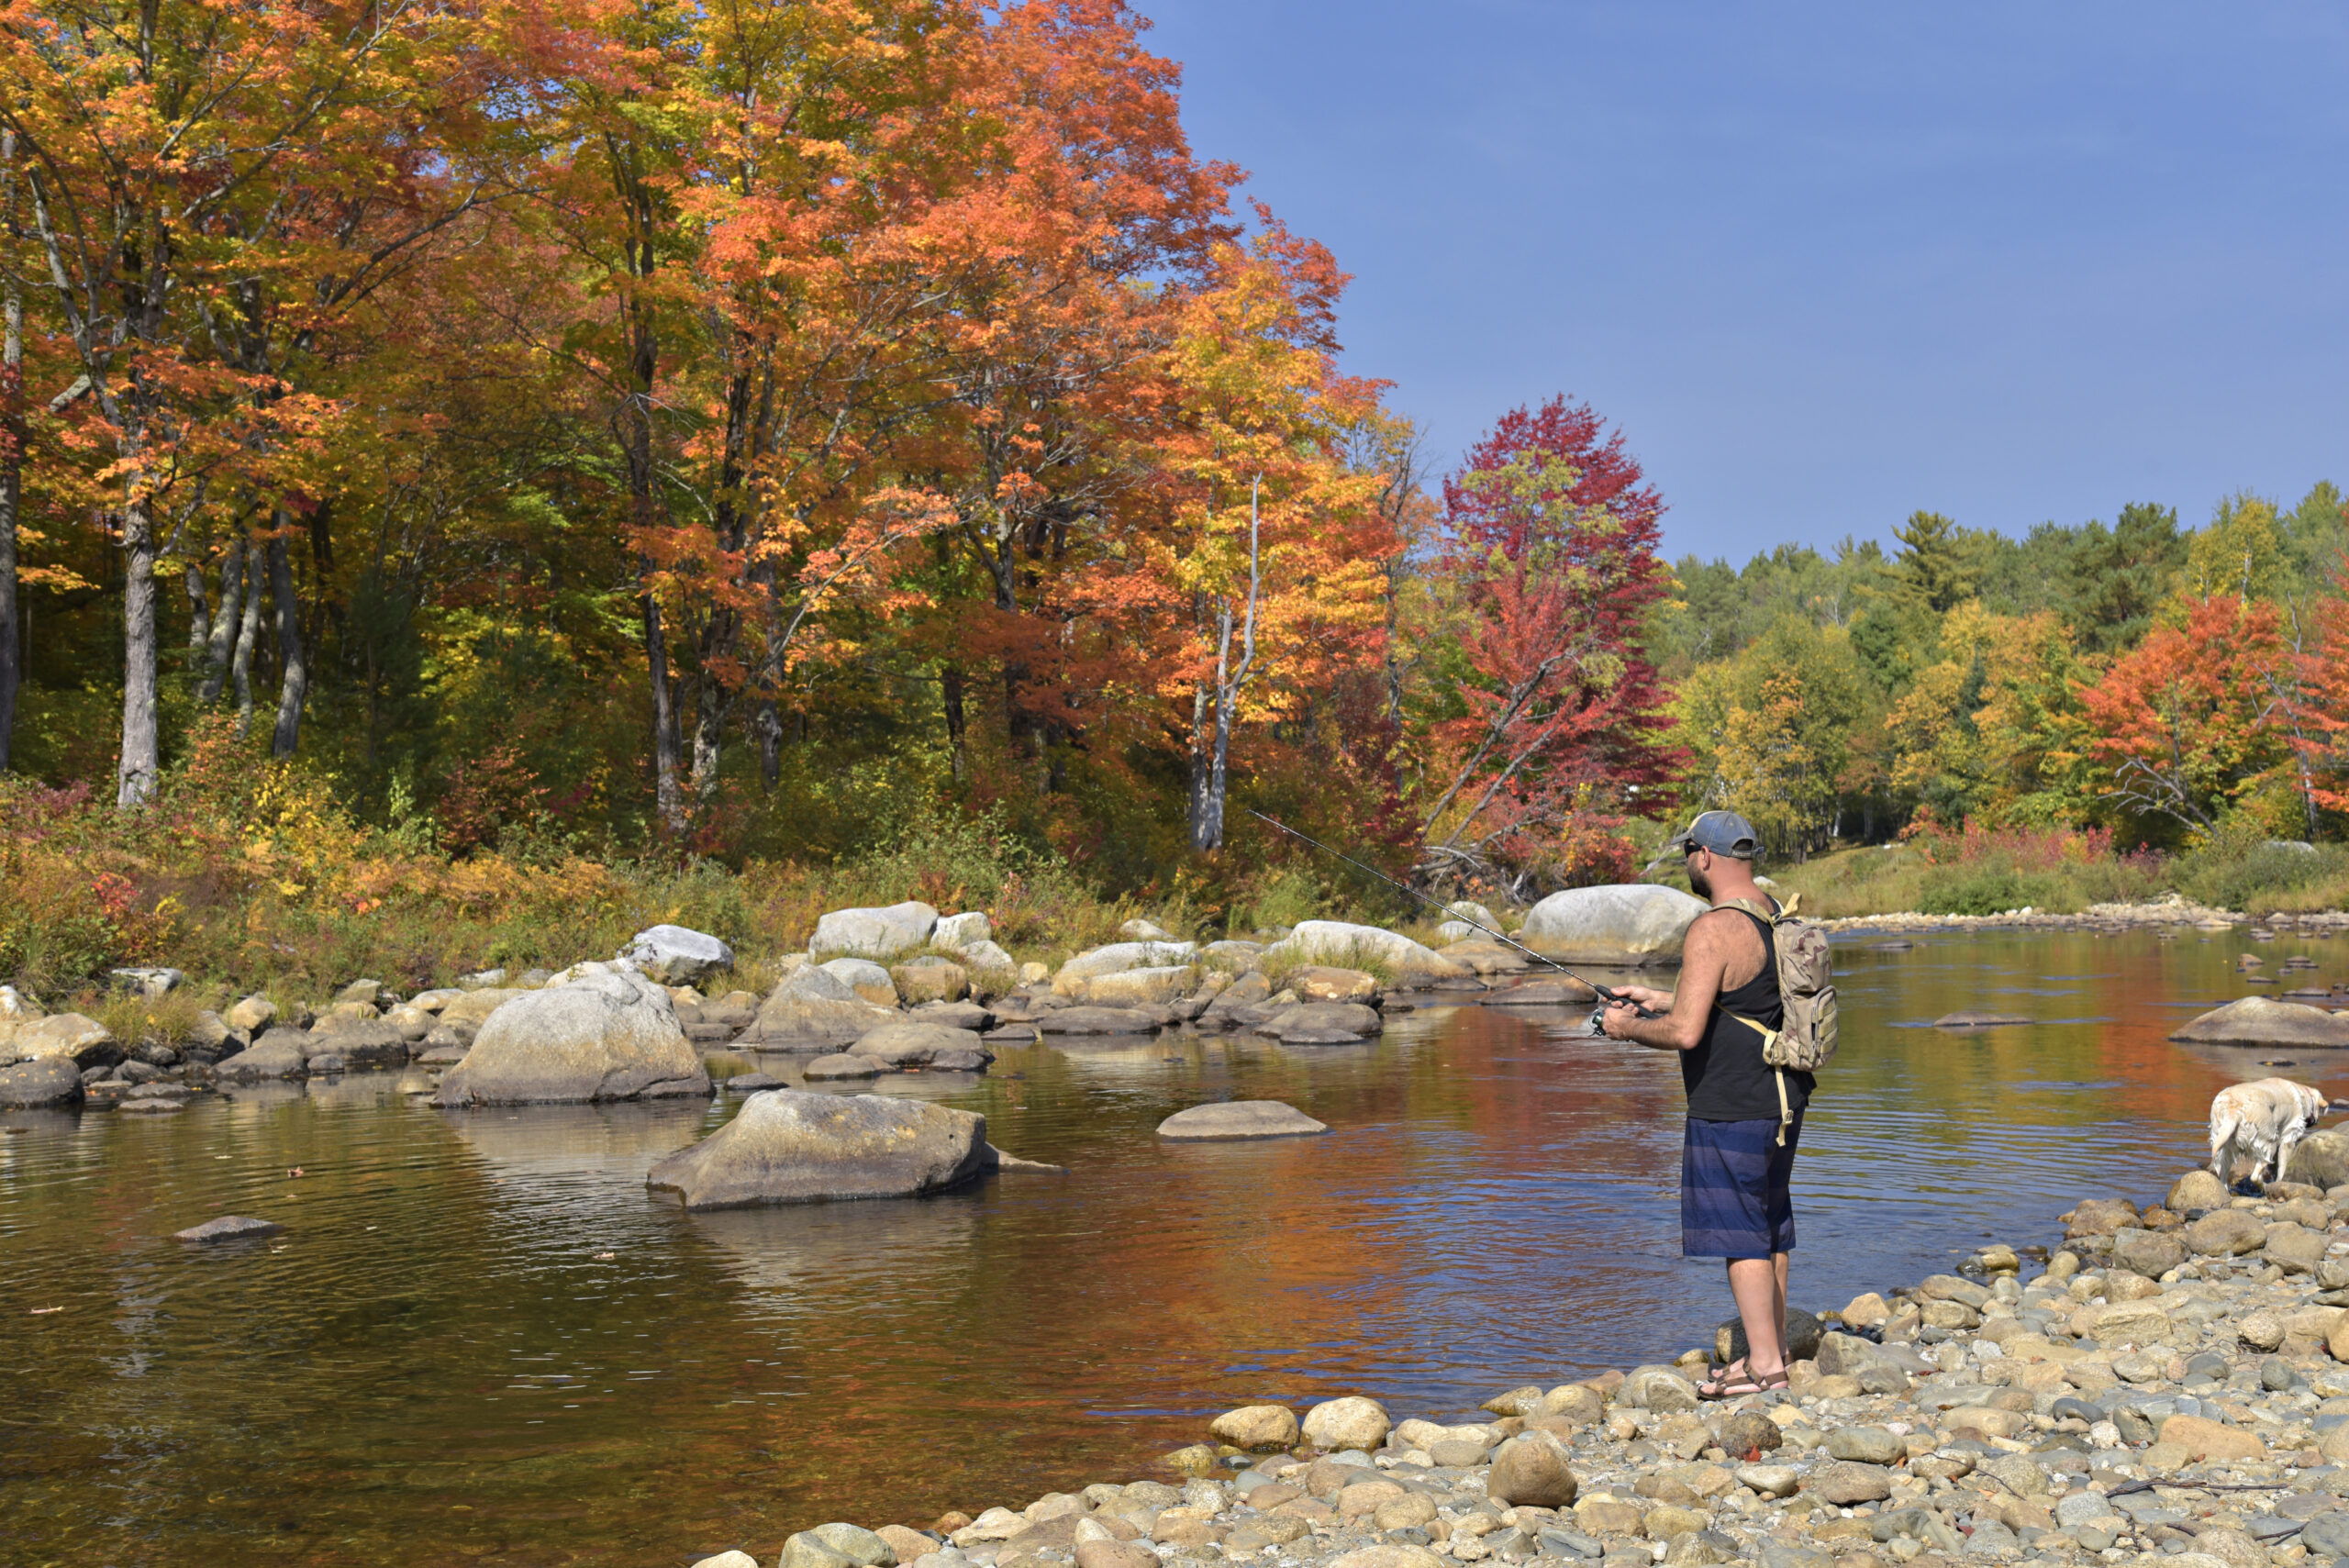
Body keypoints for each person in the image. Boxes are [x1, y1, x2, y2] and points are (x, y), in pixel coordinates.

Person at [1598, 809, 1811, 1399]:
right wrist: (1657, 997)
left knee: (1738, 1232)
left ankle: (1766, 1367)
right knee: (1768, 1225)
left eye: (1689, 851)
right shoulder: (1770, 912)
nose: (1688, 862)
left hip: (1732, 1101)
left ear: (1707, 856)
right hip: (1784, 1094)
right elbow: (1742, 996)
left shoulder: (1712, 927)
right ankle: (1769, 1348)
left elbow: (1686, 1033)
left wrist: (1626, 1029)